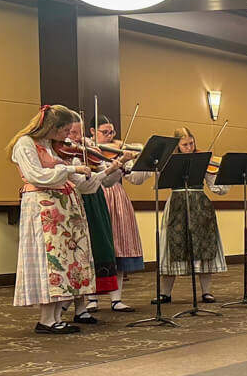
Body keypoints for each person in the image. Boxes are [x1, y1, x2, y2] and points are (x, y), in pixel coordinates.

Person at [8, 104, 100, 334]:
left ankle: (55, 316)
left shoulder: (51, 145)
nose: (67, 136)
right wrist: (69, 171)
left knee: (64, 261)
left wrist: (83, 172)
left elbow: (71, 177)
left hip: (61, 206)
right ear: (52, 126)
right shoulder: (25, 144)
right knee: (49, 260)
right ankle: (46, 319)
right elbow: (36, 175)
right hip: (42, 206)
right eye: (65, 130)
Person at [156, 127, 228, 304]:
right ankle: (165, 293)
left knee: (203, 246)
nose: (189, 147)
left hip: (199, 205)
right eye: (184, 145)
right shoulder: (169, 160)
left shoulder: (203, 159)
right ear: (177, 146)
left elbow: (217, 188)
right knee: (171, 247)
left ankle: (206, 292)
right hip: (176, 204)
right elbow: (160, 181)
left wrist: (222, 174)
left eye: (191, 143)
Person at [65, 120, 129, 315]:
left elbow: (107, 182)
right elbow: (79, 182)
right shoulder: (64, 154)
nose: (76, 138)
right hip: (74, 201)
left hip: (96, 199)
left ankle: (100, 299)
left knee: (102, 247)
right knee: (81, 252)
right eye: (72, 133)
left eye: (79, 133)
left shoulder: (89, 151)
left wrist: (117, 166)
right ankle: (83, 302)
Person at [96, 116, 149, 310]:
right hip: (96, 194)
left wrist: (136, 156)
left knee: (119, 245)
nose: (110, 136)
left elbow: (135, 178)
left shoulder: (119, 149)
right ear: (92, 132)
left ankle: (116, 298)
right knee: (98, 248)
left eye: (112, 132)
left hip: (117, 196)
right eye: (105, 132)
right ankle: (91, 299)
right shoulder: (90, 149)